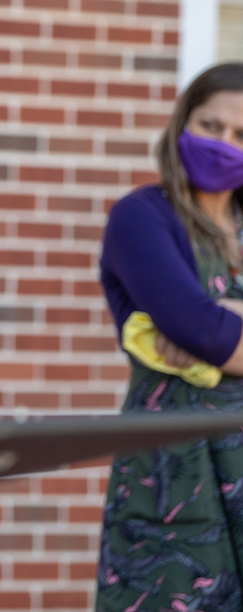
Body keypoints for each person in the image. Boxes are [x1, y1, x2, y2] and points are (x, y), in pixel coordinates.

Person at [96, 62, 243, 611]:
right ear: (182, 124)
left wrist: (224, 319)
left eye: (242, 135)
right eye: (212, 126)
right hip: (177, 480)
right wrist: (215, 325)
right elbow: (200, 330)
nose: (226, 144)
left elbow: (212, 333)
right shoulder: (142, 218)